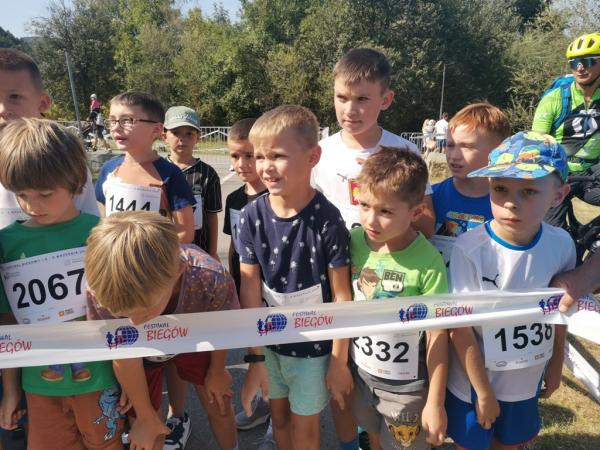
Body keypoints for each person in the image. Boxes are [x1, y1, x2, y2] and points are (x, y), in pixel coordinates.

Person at [0, 118, 125, 450]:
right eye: (21, 194)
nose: (32, 205)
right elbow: (8, 323)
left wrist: (132, 382)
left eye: (44, 194)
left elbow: (123, 314)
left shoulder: (102, 234)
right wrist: (10, 391)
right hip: (39, 386)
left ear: (75, 182)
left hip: (101, 379)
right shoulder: (6, 243)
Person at [446, 131, 575, 450]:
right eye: (500, 188)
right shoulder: (469, 249)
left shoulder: (562, 245)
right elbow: (460, 328)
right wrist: (483, 392)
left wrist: (557, 360)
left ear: (558, 195)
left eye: (528, 191)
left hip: (524, 383)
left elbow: (560, 310)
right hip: (472, 383)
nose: (510, 202)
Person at [238, 105, 353, 450]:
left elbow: (342, 295)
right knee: (280, 420)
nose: (265, 166)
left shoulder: (328, 220)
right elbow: (249, 287)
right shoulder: (251, 216)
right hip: (270, 343)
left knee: (306, 430)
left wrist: (338, 360)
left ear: (312, 157)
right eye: (259, 156)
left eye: (278, 155)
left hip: (313, 349)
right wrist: (255, 356)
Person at [85, 211, 240, 450]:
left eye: (145, 311)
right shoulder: (100, 289)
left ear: (179, 271)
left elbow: (222, 328)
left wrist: (218, 370)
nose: (135, 323)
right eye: (122, 314)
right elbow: (123, 354)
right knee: (146, 427)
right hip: (137, 355)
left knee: (219, 403)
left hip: (198, 336)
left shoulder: (210, 277)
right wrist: (144, 414)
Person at [349, 147, 448, 450]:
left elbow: (438, 334)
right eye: (364, 205)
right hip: (361, 375)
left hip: (408, 389)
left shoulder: (428, 262)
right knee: (372, 438)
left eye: (386, 212)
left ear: (416, 212)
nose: (371, 220)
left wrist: (435, 401)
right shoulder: (353, 241)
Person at [312, 48, 435, 242]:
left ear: (385, 100)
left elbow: (427, 226)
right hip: (334, 259)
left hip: (386, 260)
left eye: (362, 99)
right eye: (341, 97)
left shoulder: (406, 151)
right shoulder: (319, 152)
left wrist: (391, 179)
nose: (349, 110)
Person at [0, 48, 99, 229]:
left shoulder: (63, 161)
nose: (3, 109)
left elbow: (91, 233)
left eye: (14, 97)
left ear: (43, 103)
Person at [223, 118, 273, 445]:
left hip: (271, 289)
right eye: (235, 156)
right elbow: (233, 245)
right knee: (255, 348)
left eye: (249, 155)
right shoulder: (234, 199)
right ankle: (262, 402)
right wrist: (232, 283)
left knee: (275, 353)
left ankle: (277, 421)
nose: (241, 164)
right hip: (245, 287)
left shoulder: (275, 197)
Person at [95, 91, 196, 243]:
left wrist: (152, 253)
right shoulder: (108, 169)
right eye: (112, 120)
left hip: (154, 258)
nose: (116, 127)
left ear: (156, 130)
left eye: (127, 120)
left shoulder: (170, 174)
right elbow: (103, 218)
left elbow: (185, 233)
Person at [532, 32, 600, 228]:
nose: (580, 68)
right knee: (550, 234)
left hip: (592, 172)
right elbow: (537, 141)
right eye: (574, 63)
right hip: (558, 172)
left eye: (587, 61)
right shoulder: (555, 98)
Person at [431, 103, 511, 264]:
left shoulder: (510, 204)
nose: (454, 155)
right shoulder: (430, 197)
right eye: (450, 145)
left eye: (467, 147)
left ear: (498, 151)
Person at [164, 106, 222, 259]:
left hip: (198, 252)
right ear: (164, 136)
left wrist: (213, 252)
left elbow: (212, 215)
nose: (182, 138)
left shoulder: (208, 174)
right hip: (163, 251)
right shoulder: (156, 170)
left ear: (198, 137)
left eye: (189, 133)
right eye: (175, 132)